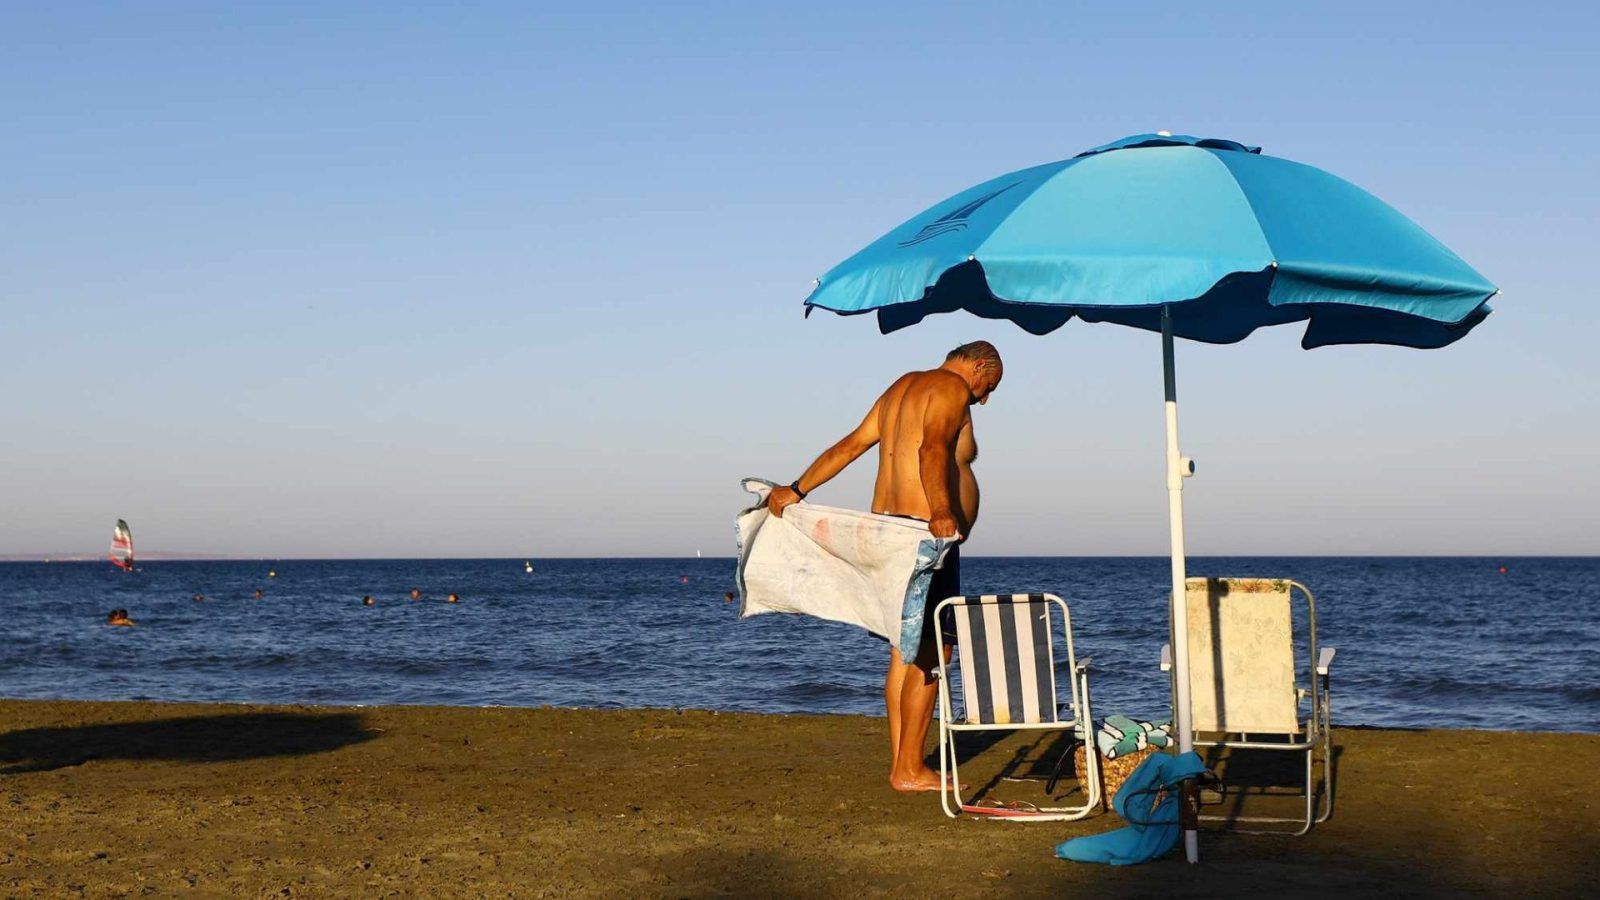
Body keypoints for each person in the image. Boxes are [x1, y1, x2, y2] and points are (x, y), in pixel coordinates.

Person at [767, 340, 1001, 793]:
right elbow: (932, 449)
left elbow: (851, 445)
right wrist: (940, 512)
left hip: (889, 530)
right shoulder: (950, 388)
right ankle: (910, 769)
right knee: (935, 653)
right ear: (978, 366)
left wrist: (797, 489)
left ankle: (902, 763)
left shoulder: (900, 389)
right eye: (988, 387)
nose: (985, 399)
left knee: (904, 651)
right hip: (922, 537)